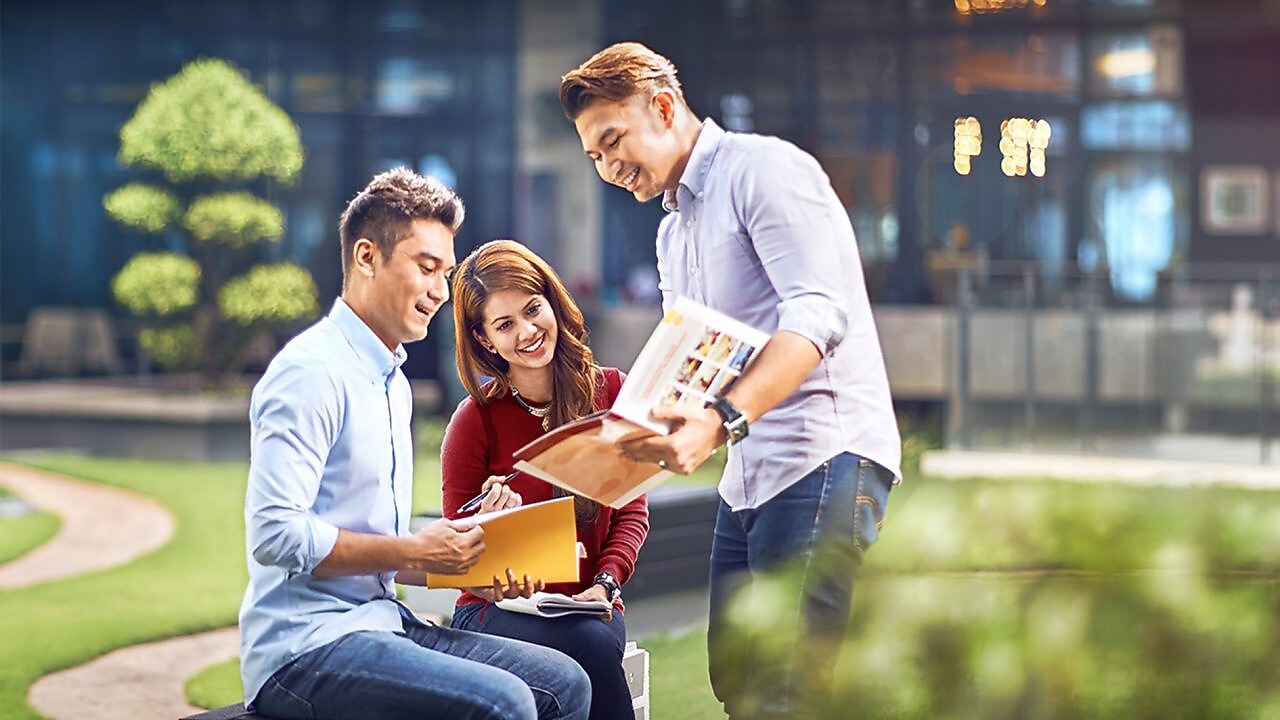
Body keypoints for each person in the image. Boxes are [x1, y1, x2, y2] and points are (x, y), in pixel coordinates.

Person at [560, 43, 902, 719]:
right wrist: (618, 449)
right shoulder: (672, 234)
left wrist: (718, 421)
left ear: (662, 106)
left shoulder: (764, 171)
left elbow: (817, 313)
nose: (607, 167)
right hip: (749, 478)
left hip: (824, 456)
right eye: (594, 156)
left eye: (613, 140)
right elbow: (688, 363)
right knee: (736, 679)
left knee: (784, 690)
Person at [239, 169, 591, 720]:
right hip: (303, 649)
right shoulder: (311, 373)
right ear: (366, 257)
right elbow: (275, 534)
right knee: (508, 703)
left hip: (383, 622)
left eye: (445, 273)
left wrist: (477, 564)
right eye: (426, 268)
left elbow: (379, 557)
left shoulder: (392, 382)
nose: (439, 292)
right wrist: (416, 549)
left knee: (564, 683)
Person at [441, 239, 650, 720]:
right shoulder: (474, 421)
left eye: (533, 309)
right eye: (505, 324)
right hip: (494, 611)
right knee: (591, 649)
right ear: (485, 340)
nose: (528, 331)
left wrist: (605, 582)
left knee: (593, 639)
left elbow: (632, 510)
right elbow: (454, 551)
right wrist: (490, 526)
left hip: (589, 604)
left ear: (552, 302)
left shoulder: (612, 394)